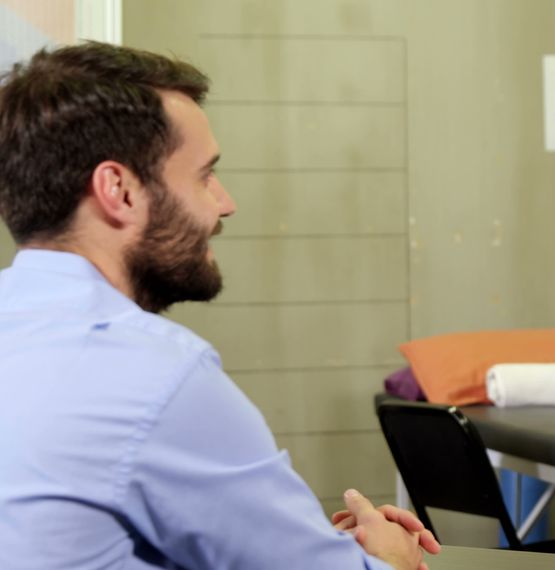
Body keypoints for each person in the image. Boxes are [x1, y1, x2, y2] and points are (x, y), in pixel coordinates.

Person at [0, 42, 439, 569]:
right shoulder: (155, 375)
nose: (224, 203)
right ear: (118, 189)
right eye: (204, 175)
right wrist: (391, 559)